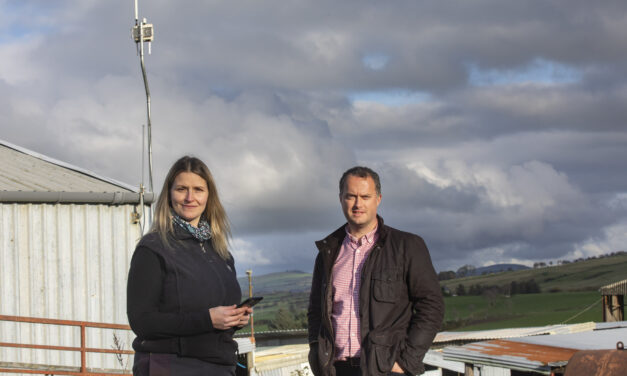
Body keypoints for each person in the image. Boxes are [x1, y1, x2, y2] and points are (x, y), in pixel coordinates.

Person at [308, 166, 444, 376]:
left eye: (365, 196)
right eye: (351, 196)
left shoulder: (407, 246)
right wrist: (316, 353)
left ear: (378, 198)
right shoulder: (328, 252)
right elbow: (316, 311)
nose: (358, 204)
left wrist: (406, 362)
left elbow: (432, 307)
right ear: (340, 199)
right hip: (336, 370)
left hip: (387, 369)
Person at [127, 156, 251, 376]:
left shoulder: (220, 252)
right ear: (169, 194)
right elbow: (142, 321)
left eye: (198, 190)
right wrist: (208, 320)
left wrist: (235, 318)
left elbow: (213, 312)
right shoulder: (153, 248)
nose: (189, 198)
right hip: (170, 366)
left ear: (209, 196)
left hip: (220, 366)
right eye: (181, 189)